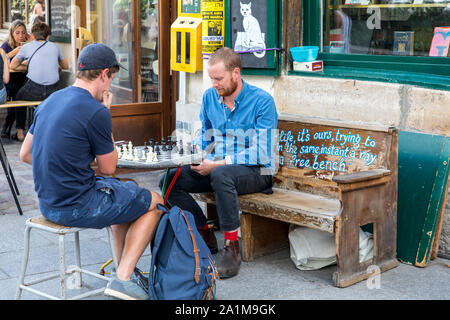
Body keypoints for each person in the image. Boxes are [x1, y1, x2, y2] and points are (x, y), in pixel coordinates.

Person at [19, 43, 163, 300]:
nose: (110, 87)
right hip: (77, 206)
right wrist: (106, 114)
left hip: (48, 204)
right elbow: (108, 168)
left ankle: (122, 271)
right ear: (105, 73)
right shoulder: (96, 111)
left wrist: (64, 164)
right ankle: (124, 277)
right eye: (112, 80)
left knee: (128, 189)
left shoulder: (50, 100)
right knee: (156, 201)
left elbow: (25, 154)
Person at [160, 47, 278, 279]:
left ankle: (232, 247)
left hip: (258, 170)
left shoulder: (262, 102)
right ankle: (204, 231)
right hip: (218, 167)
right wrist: (194, 155)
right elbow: (205, 136)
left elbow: (262, 152)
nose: (214, 84)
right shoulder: (209, 97)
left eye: (219, 79)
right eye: (211, 78)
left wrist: (218, 163)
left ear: (236, 73)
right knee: (169, 180)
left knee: (221, 174)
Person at [11, 22, 69, 102]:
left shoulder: (26, 47)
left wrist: (28, 67)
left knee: (18, 98)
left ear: (32, 36)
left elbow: (13, 66)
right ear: (48, 37)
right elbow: (66, 66)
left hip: (33, 90)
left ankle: (24, 114)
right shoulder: (55, 46)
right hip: (52, 91)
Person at [0, 20, 29, 142]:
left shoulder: (29, 45)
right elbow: (4, 62)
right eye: (17, 33)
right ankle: (18, 130)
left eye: (23, 32)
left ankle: (8, 128)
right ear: (12, 33)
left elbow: (30, 64)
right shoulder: (5, 46)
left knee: (19, 95)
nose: (21, 36)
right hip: (8, 81)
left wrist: (18, 65)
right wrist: (15, 52)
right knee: (17, 95)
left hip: (24, 80)